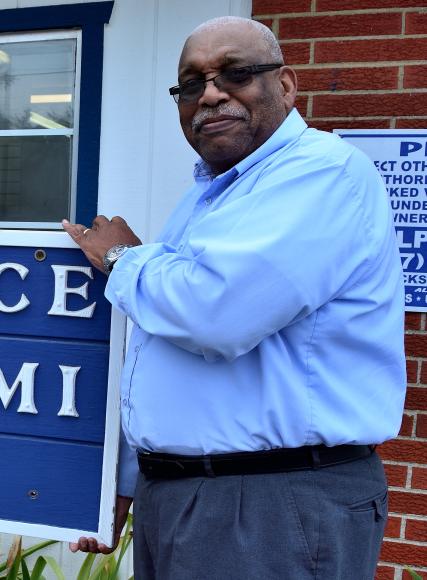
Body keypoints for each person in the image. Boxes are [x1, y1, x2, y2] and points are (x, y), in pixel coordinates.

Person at [61, 16, 404, 580]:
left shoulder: (323, 172)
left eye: (236, 73)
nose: (212, 93)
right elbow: (159, 349)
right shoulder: (211, 195)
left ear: (287, 85)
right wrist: (123, 482)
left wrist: (123, 259)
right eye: (192, 83)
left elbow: (214, 315)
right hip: (184, 496)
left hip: (272, 503)